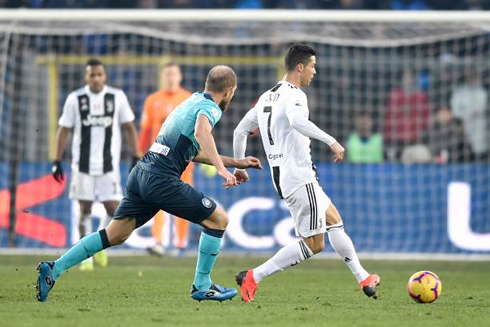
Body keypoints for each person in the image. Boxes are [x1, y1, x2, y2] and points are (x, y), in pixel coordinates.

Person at [37, 65, 263, 303]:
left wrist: (236, 162)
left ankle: (54, 268)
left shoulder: (190, 101)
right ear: (229, 91)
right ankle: (202, 284)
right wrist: (220, 170)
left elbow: (192, 152)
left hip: (141, 173)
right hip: (161, 179)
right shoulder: (210, 108)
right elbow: (201, 133)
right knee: (219, 219)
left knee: (115, 234)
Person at [233, 44, 380, 303]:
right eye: (312, 65)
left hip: (287, 176)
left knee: (334, 220)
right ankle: (254, 276)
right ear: (299, 67)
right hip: (298, 176)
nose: (315, 70)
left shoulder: (267, 96)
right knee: (314, 244)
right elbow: (296, 121)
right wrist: (331, 140)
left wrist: (238, 166)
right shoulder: (296, 95)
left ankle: (363, 277)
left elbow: (239, 131)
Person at [51, 58, 138, 272]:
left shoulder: (117, 97)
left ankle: (98, 244)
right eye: (92, 75)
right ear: (86, 77)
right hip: (82, 166)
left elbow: (128, 126)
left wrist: (136, 154)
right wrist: (56, 160)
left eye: (99, 74)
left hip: (109, 166)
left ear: (105, 76)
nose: (96, 78)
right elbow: (64, 130)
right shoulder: (75, 99)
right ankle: (85, 257)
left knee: (113, 208)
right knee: (85, 208)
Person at [139, 63, 193, 256]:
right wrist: (140, 154)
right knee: (157, 199)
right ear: (163, 77)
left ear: (180, 76)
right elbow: (145, 131)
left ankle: (180, 244)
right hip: (159, 158)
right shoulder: (153, 100)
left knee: (184, 198)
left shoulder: (189, 99)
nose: (170, 77)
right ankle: (158, 241)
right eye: (167, 74)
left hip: (182, 158)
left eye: (173, 74)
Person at [384, 69, 430, 161]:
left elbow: (426, 121)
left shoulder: (421, 96)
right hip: (396, 143)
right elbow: (388, 119)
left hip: (415, 143)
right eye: (406, 77)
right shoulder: (395, 95)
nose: (407, 80)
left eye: (410, 78)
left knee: (423, 155)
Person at [450, 70, 488, 161]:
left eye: (474, 78)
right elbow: (455, 108)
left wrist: (467, 112)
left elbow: (480, 108)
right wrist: (463, 116)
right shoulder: (460, 92)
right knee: (464, 147)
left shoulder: (481, 92)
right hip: (463, 122)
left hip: (478, 124)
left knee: (479, 147)